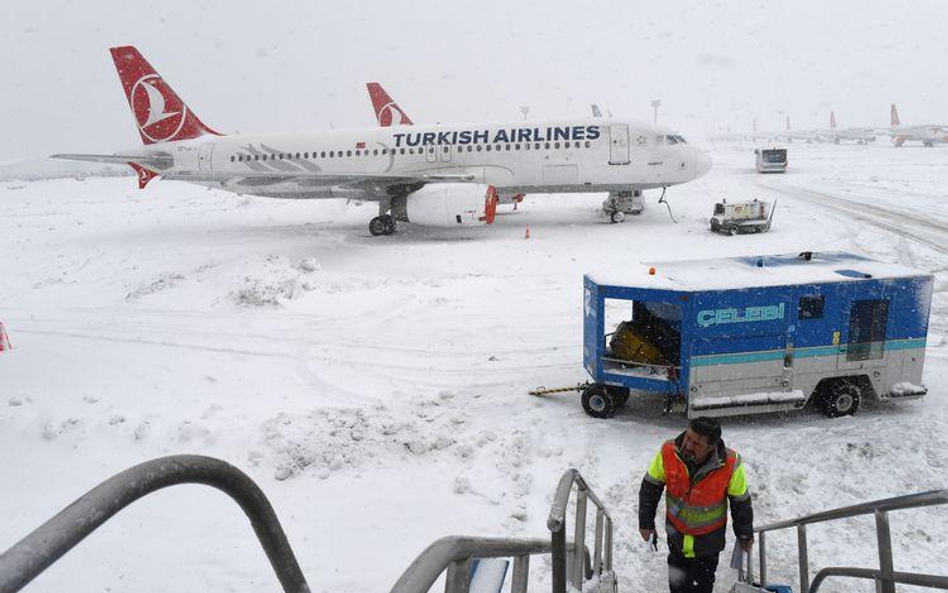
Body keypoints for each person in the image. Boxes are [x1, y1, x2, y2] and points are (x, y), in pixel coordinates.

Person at [638, 417, 754, 593]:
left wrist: (744, 533)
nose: (688, 445)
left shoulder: (730, 463)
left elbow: (740, 501)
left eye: (697, 443)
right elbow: (650, 486)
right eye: (688, 437)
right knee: (677, 587)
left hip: (708, 544)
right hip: (676, 538)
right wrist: (646, 523)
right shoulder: (668, 452)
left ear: (711, 447)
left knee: (701, 588)